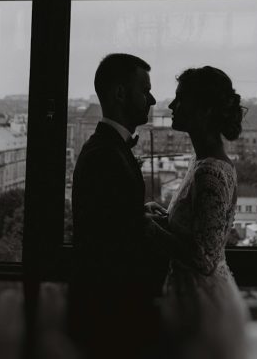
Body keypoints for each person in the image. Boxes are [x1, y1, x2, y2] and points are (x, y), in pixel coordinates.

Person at [69, 53, 168, 359]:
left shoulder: (106, 147)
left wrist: (137, 213)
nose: (151, 99)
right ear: (120, 93)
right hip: (112, 311)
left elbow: (107, 218)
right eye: (144, 89)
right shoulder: (106, 154)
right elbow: (111, 244)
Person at [147, 66, 249, 359]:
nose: (171, 106)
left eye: (180, 99)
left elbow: (204, 257)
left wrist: (149, 227)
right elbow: (198, 230)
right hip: (189, 295)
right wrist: (164, 218)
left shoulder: (211, 172)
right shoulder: (200, 160)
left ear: (204, 109)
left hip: (201, 305)